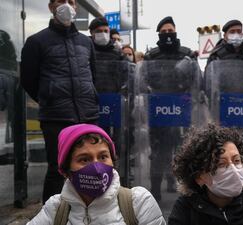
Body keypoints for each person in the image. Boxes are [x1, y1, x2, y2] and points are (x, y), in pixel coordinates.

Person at [20, 0, 98, 203]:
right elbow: (29, 80)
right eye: (60, 1)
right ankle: (53, 216)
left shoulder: (86, 42)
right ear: (51, 7)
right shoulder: (36, 41)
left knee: (90, 165)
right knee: (58, 169)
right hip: (56, 117)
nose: (67, 5)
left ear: (76, 7)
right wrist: (50, 97)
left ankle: (88, 212)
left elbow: (93, 76)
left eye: (71, 1)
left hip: (87, 115)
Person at [27, 124, 166, 225]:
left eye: (103, 157)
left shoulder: (138, 202)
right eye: (84, 159)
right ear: (66, 171)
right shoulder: (55, 209)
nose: (97, 167)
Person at [168, 124, 243, 225]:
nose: (233, 169)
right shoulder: (186, 208)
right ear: (199, 177)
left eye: (237, 161)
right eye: (221, 164)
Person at [144, 16, 197, 202]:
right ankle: (155, 188)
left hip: (181, 108)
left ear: (175, 31)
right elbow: (143, 81)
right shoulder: (151, 56)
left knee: (182, 149)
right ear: (159, 33)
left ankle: (180, 184)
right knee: (158, 151)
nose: (168, 34)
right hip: (158, 109)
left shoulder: (187, 54)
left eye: (170, 30)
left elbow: (197, 80)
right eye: (164, 31)